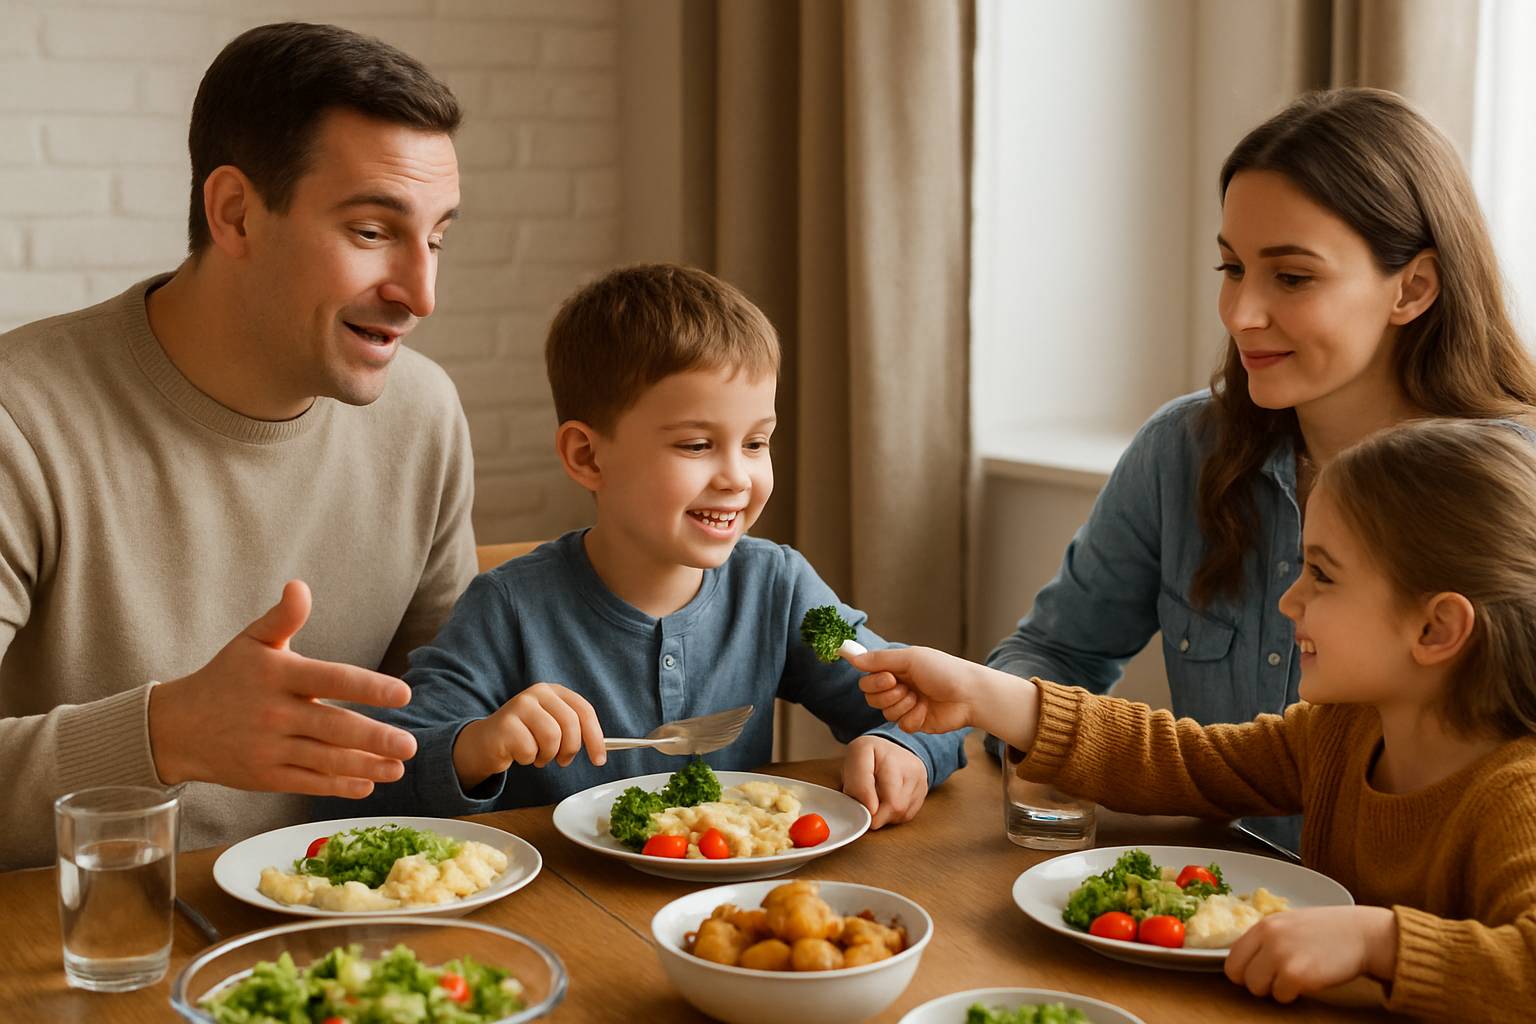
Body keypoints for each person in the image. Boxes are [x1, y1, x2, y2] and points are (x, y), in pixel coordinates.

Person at [985, 87, 1536, 850]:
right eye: (1232, 267)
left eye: (1292, 277)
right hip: (1216, 922)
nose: (1240, 313)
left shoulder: (1519, 489)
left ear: (1412, 287)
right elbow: (1054, 654)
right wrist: (968, 732)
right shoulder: (1184, 450)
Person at [859, 418, 1536, 1019]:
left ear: (1437, 626)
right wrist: (981, 694)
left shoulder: (1517, 794)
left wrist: (1378, 940)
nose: (1290, 601)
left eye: (1323, 576)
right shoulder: (1340, 732)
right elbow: (1186, 762)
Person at [0, 22, 476, 868]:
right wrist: (161, 736)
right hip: (81, 948)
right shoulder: (21, 419)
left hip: (340, 935)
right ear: (236, 213)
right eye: (372, 232)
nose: (421, 293)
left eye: (435, 238)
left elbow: (437, 723)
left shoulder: (424, 416)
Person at [348, 264, 965, 826]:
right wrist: (477, 746)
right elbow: (382, 776)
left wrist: (901, 747)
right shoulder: (508, 610)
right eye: (697, 445)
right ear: (588, 456)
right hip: (568, 915)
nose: (736, 477)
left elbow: (922, 705)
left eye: (756, 443)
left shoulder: (780, 591)